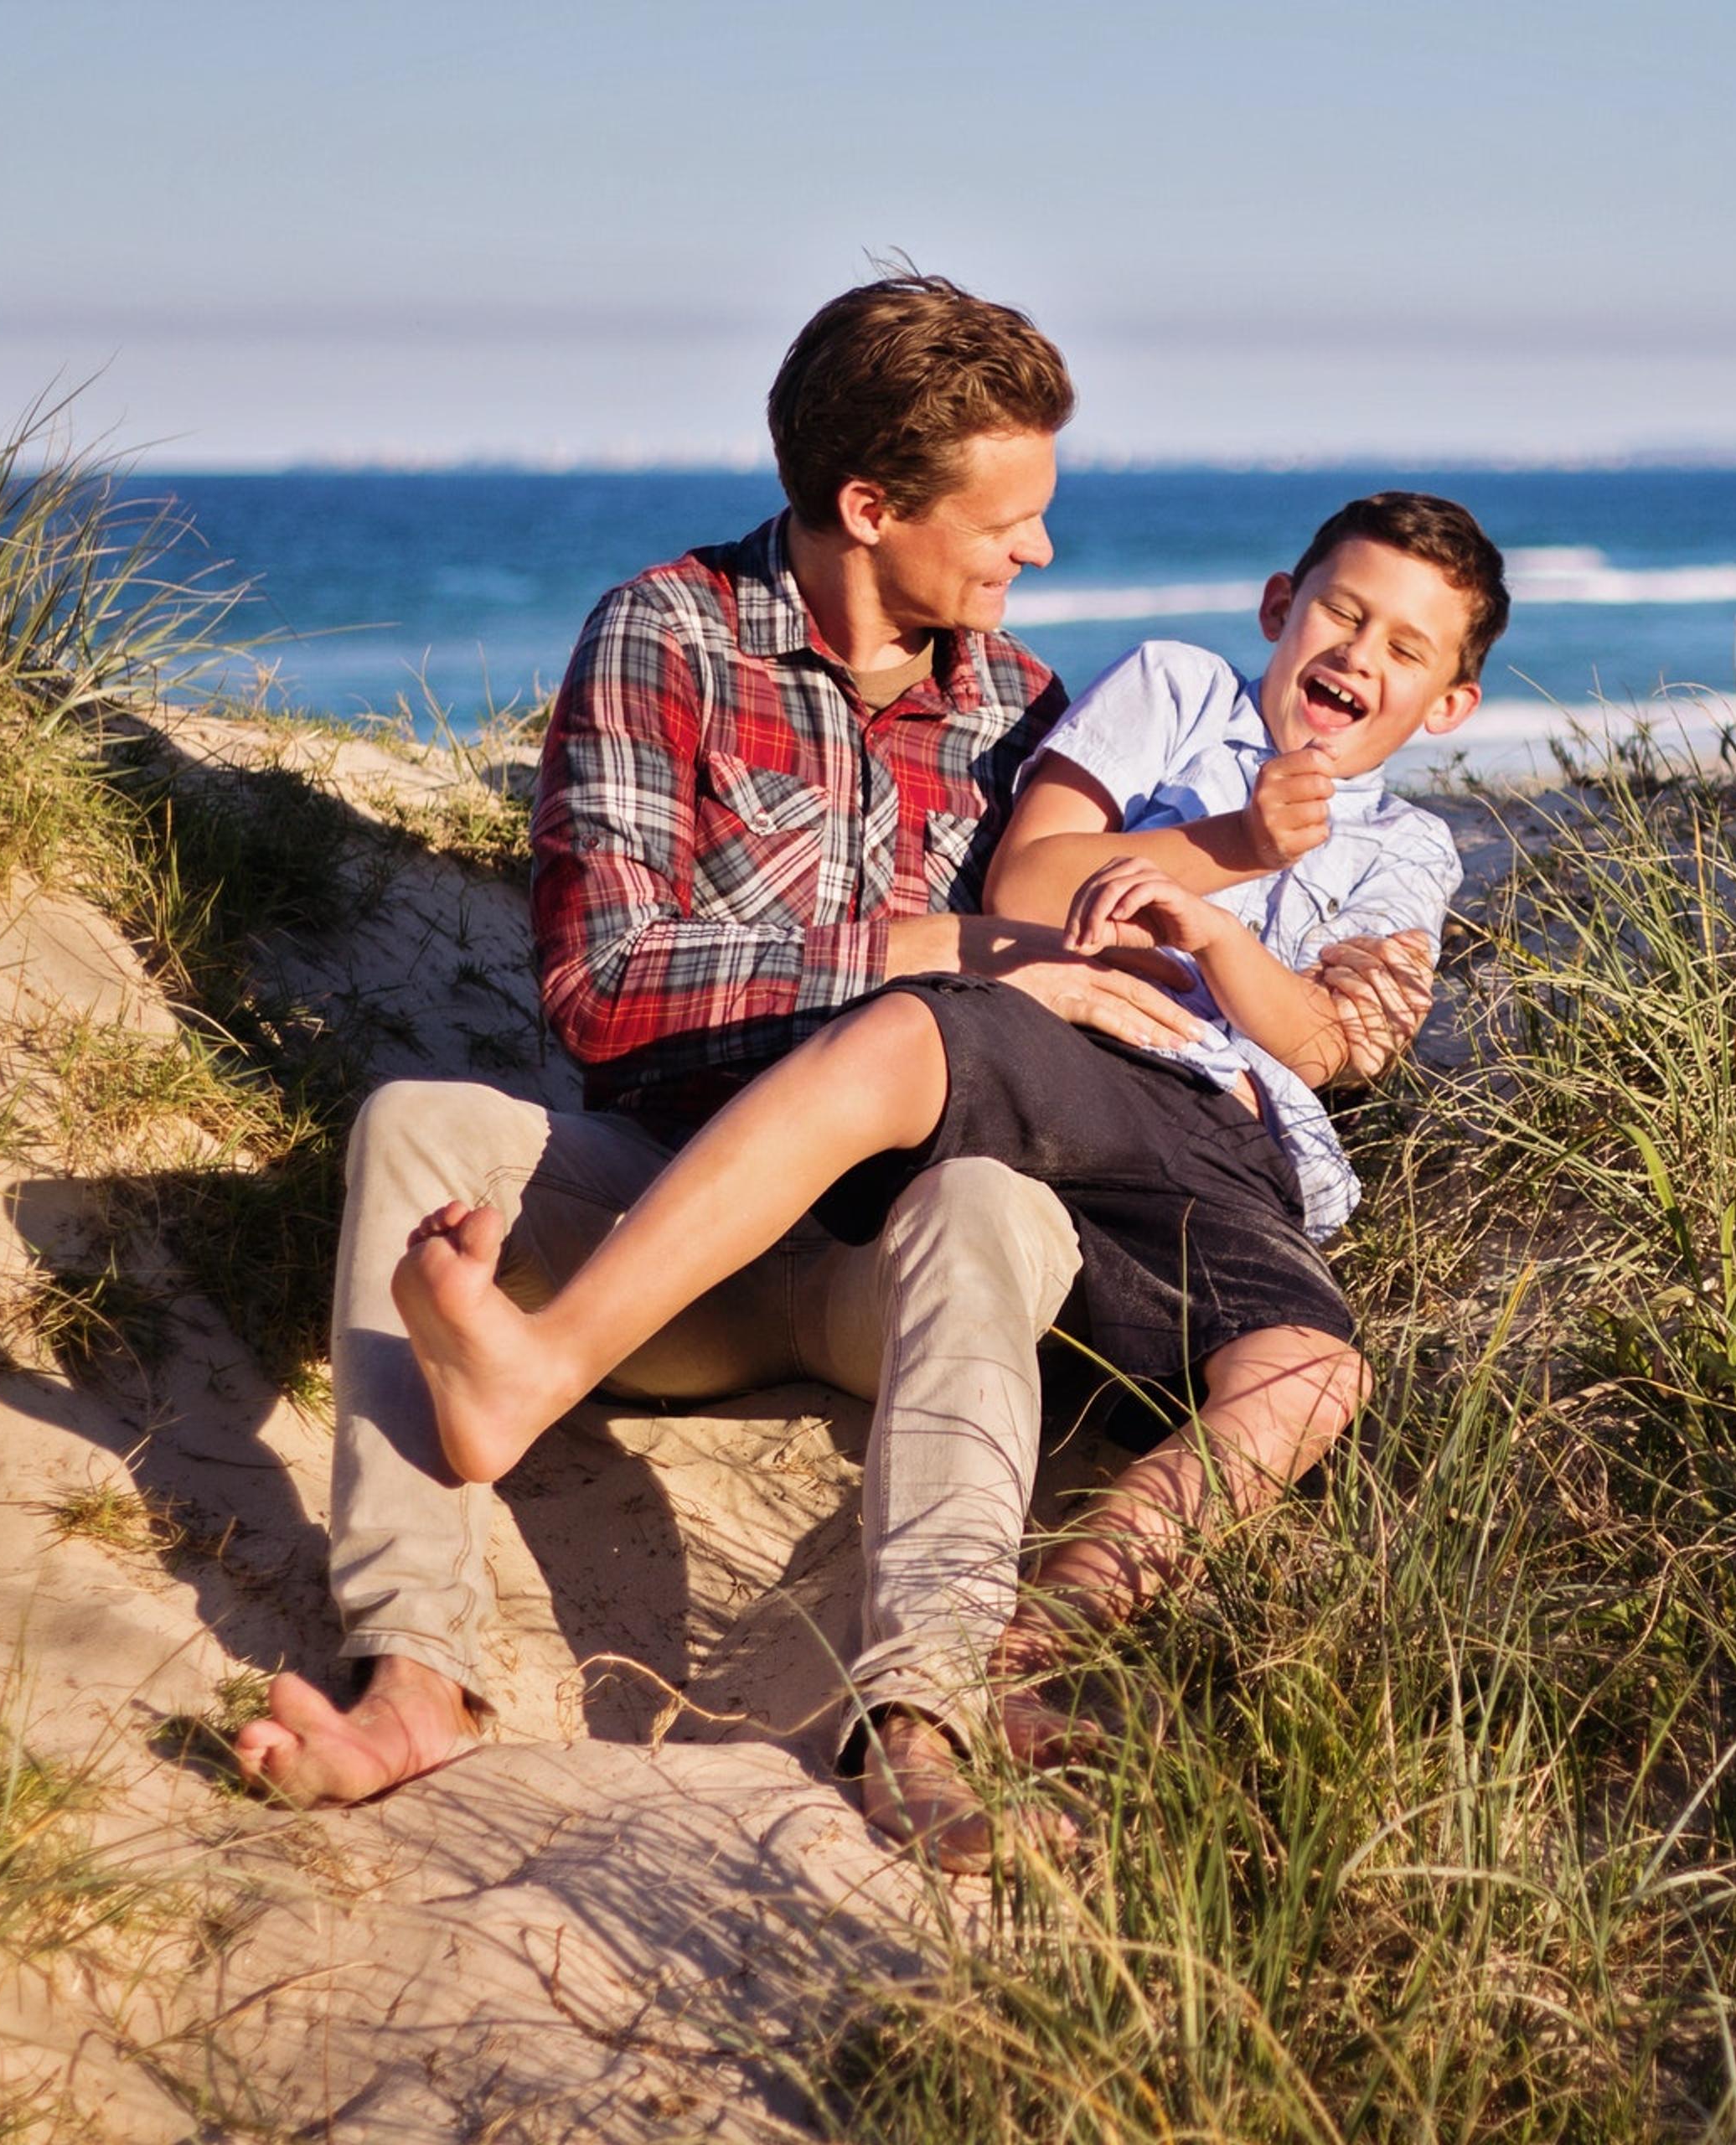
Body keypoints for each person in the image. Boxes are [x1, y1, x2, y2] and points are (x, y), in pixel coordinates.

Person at [229, 276, 1439, 1860]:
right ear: (871, 505)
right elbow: (604, 991)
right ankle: (415, 1672)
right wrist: (940, 951)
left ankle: (921, 1711)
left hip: (894, 1267)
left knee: (993, 1210)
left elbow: (1100, 978)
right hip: (673, 1229)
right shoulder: (667, 637)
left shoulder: (1020, 711)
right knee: (415, 1126)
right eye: (1008, 519)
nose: (1039, 553)